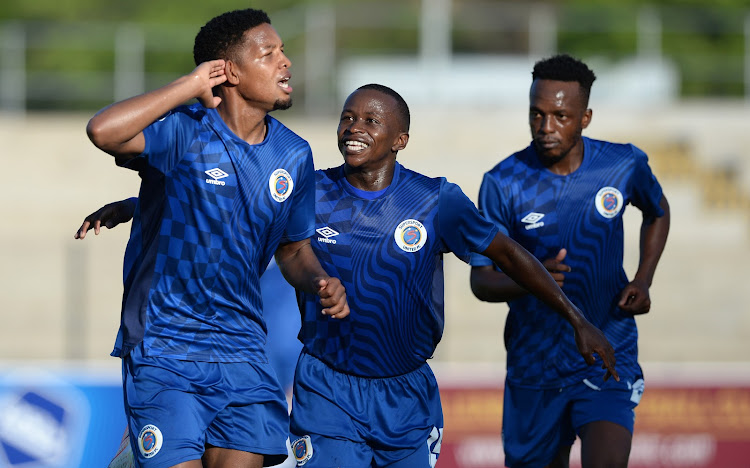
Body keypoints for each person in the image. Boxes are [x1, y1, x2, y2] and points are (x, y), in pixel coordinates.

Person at [79, 83, 618, 467]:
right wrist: (138, 203)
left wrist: (576, 319)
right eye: (347, 118)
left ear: (400, 138)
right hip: (327, 386)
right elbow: (231, 204)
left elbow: (509, 254)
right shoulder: (310, 185)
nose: (353, 128)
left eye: (370, 121)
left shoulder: (437, 201)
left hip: (408, 390)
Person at [82, 8, 348, 468]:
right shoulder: (185, 129)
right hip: (166, 344)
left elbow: (293, 248)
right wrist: (190, 85)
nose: (285, 62)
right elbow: (104, 131)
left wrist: (320, 280)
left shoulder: (294, 154)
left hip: (243, 350)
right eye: (269, 53)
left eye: (283, 51)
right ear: (228, 72)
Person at [469, 54, 670, 468]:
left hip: (607, 351)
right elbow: (482, 281)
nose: (546, 128)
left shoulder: (622, 164)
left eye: (561, 115)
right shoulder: (501, 183)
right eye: (536, 114)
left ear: (585, 117)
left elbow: (658, 211)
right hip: (533, 364)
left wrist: (644, 278)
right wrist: (532, 278)